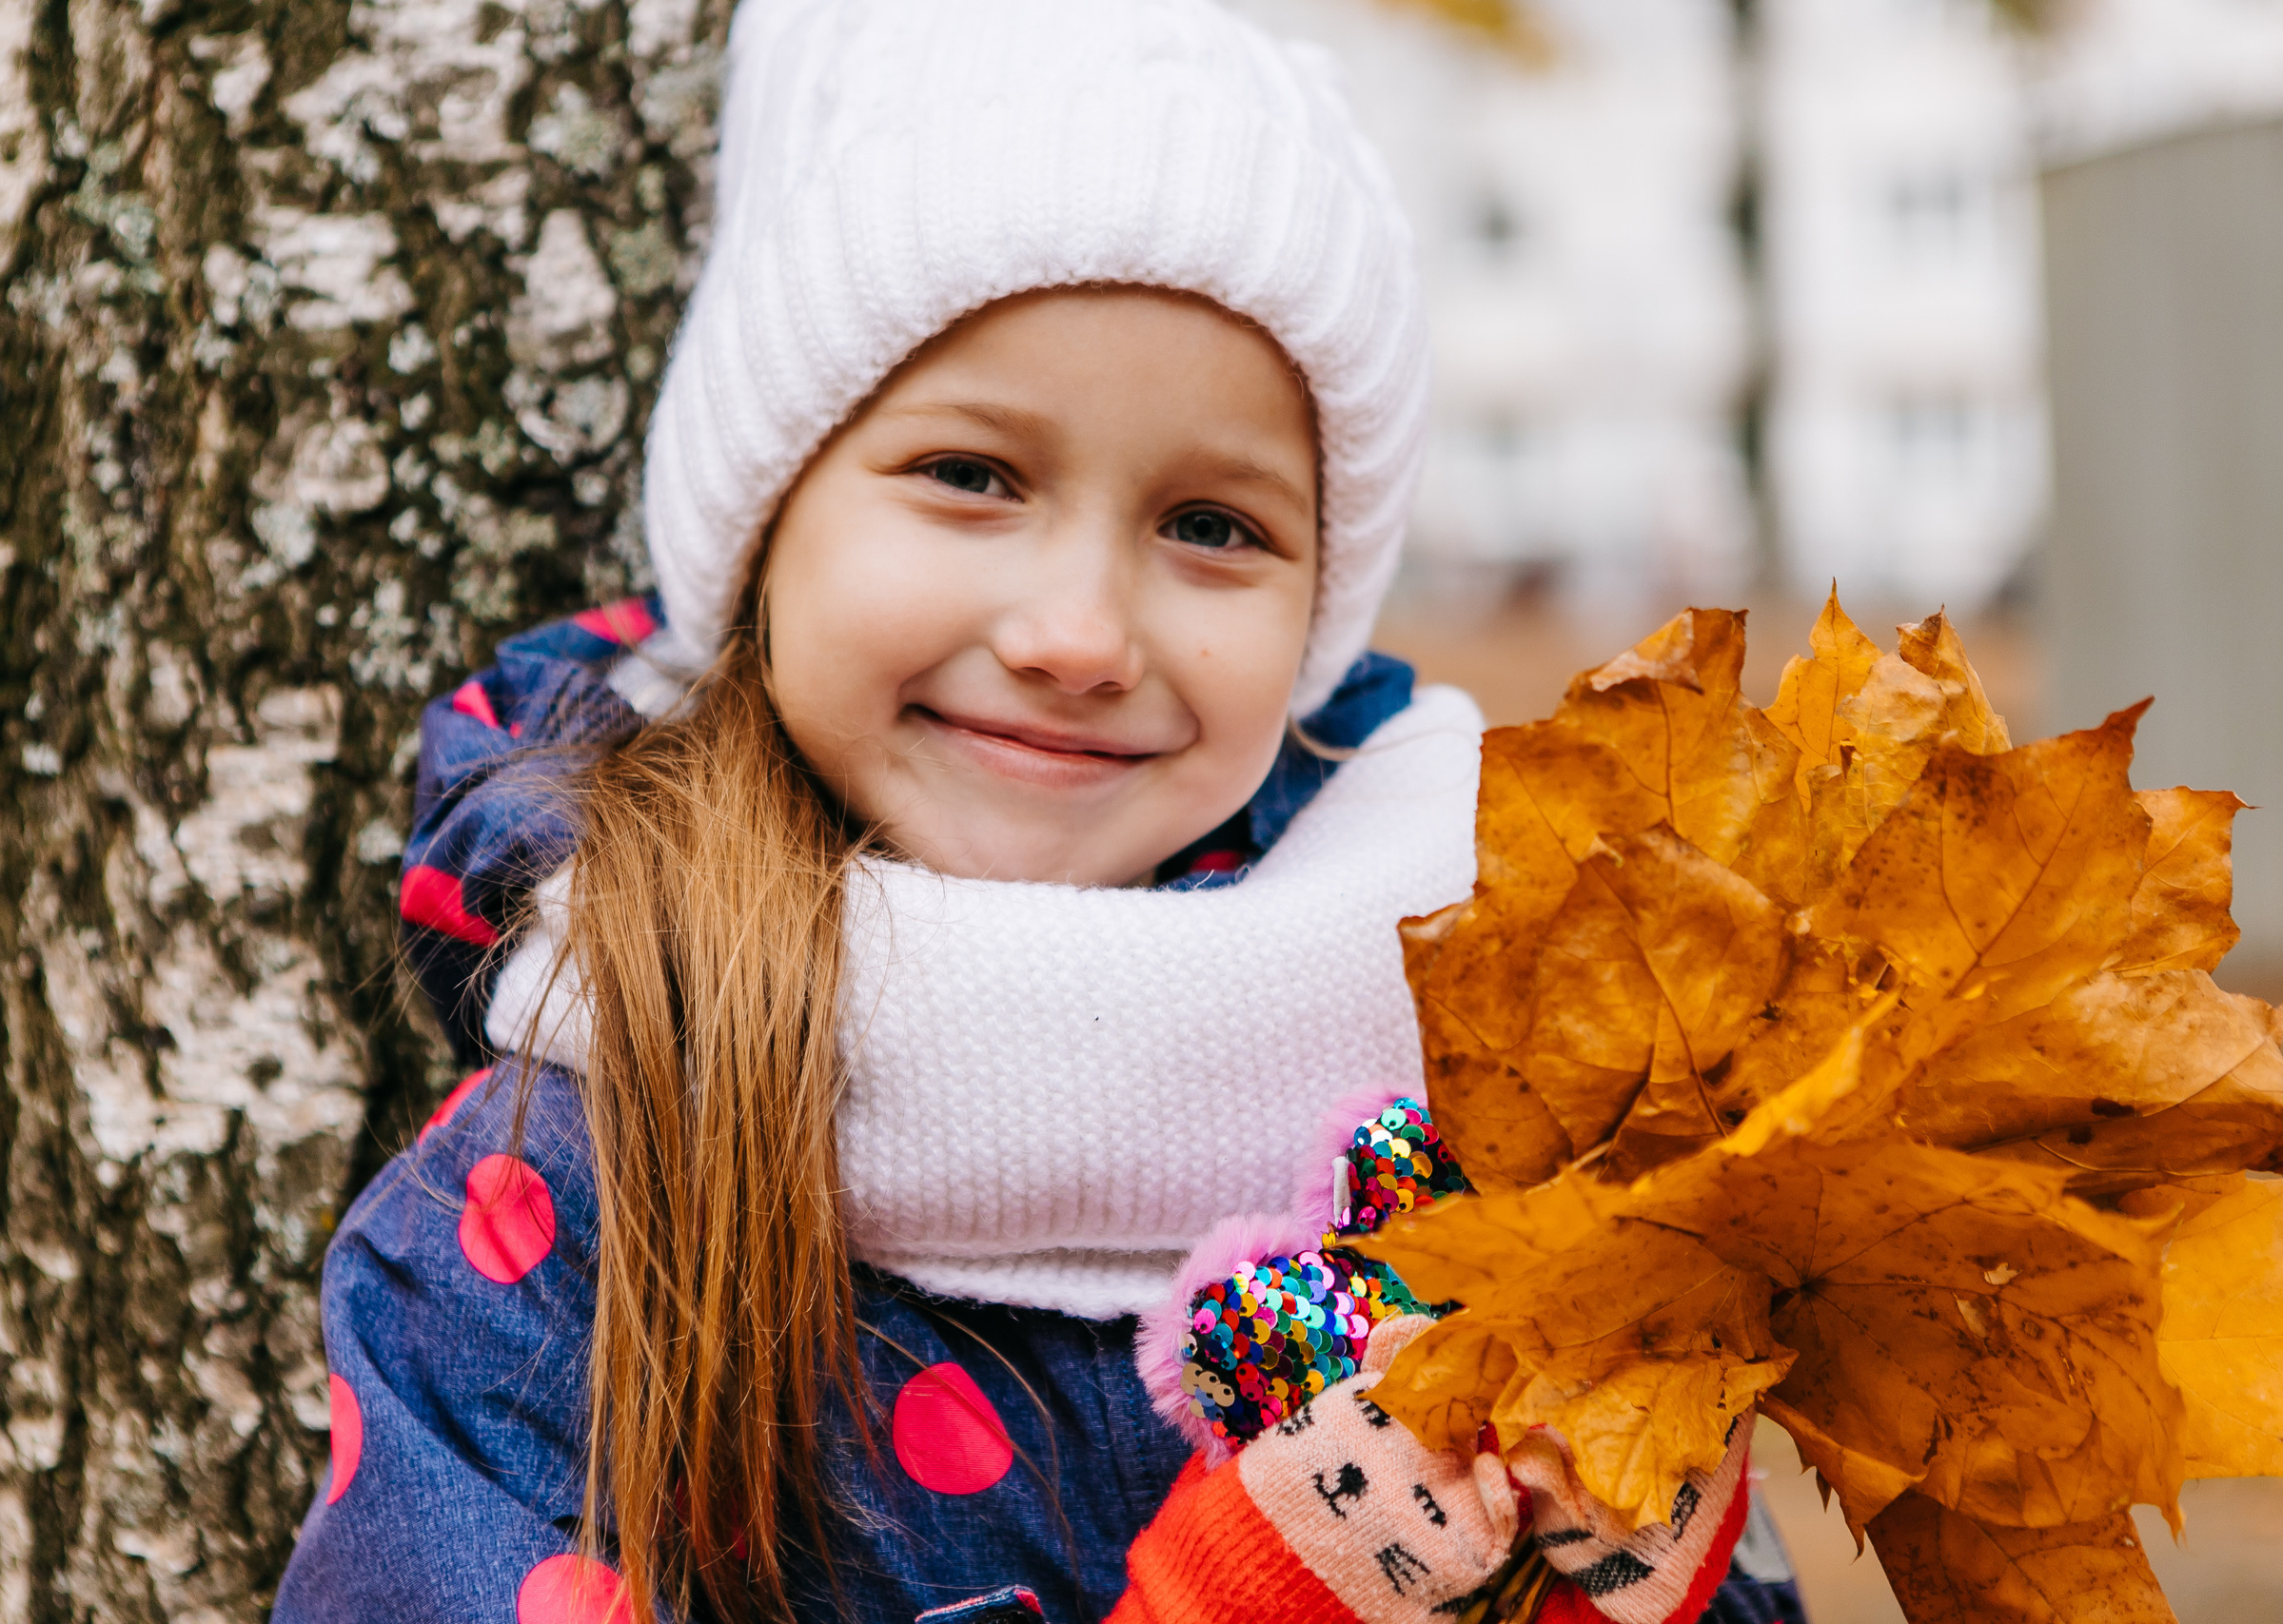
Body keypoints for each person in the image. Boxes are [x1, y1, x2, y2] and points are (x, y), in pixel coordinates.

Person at [271, 2, 1807, 1621]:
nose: (1078, 636)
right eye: (971, 476)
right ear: (766, 516)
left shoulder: (1501, 1102)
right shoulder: (567, 1208)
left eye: (1211, 525)